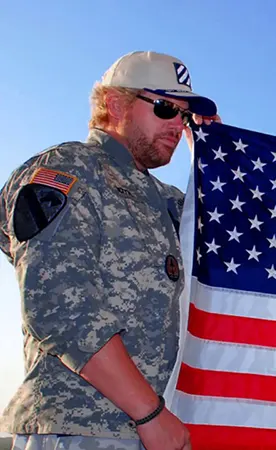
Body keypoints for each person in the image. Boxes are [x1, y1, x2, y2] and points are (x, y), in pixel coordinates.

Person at [0, 51, 220, 450]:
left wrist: (218, 156)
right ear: (115, 104)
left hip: (154, 429)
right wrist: (148, 413)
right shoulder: (70, 170)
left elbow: (236, 248)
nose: (178, 125)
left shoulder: (167, 200)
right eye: (166, 108)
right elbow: (58, 304)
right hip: (82, 428)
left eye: (185, 117)